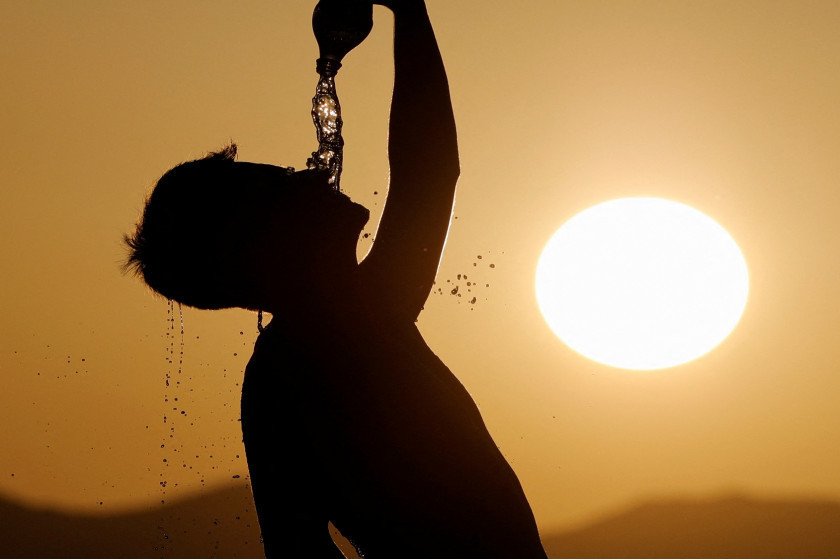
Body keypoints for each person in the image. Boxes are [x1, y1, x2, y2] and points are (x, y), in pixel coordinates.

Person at [125, 1, 549, 557]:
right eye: (280, 184)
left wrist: (409, 9)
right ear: (267, 244)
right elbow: (427, 170)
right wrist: (408, 10)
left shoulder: (344, 324)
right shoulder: (324, 349)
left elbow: (430, 171)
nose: (308, 172)